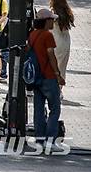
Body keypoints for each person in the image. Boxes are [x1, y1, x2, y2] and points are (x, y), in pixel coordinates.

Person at [29, 9, 65, 143]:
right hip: (48, 76)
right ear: (46, 21)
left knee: (38, 109)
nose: (53, 22)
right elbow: (51, 56)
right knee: (55, 108)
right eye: (52, 20)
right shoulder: (47, 35)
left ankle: (40, 138)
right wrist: (58, 74)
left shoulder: (32, 35)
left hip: (36, 77)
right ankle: (50, 139)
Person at [50, 0, 74, 89]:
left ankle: (53, 88)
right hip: (65, 41)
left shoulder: (54, 14)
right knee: (62, 66)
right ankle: (59, 89)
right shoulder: (68, 13)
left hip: (55, 41)